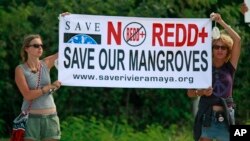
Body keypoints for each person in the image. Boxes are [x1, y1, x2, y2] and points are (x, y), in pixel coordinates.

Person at [187, 12, 241, 141]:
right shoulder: (201, 66)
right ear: (211, 49)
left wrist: (221, 21)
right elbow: (190, 93)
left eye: (223, 47)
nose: (220, 50)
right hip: (207, 117)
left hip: (227, 117)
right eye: (216, 47)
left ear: (228, 51)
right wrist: (201, 92)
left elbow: (237, 40)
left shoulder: (230, 67)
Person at [15, 34, 62, 141]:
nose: (40, 48)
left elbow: (65, 50)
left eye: (41, 45)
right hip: (31, 119)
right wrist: (49, 87)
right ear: (26, 48)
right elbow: (27, 95)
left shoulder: (46, 63)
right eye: (36, 45)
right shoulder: (20, 69)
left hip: (51, 117)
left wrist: (67, 22)